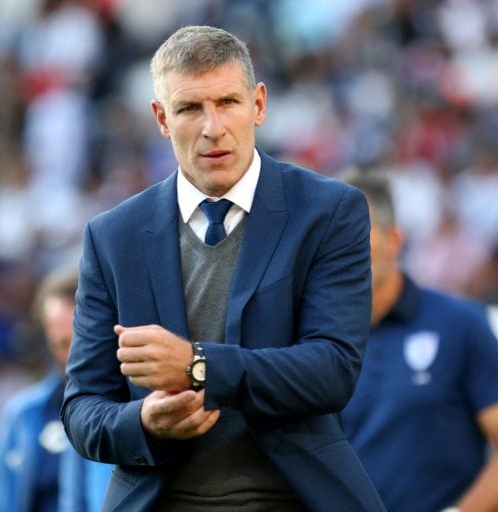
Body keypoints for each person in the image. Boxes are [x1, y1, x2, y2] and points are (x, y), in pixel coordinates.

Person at [61, 25, 385, 511]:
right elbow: (82, 409)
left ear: (257, 105)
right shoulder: (113, 236)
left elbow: (333, 369)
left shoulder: (329, 211)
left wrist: (197, 365)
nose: (213, 127)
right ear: (161, 119)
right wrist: (144, 421)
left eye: (227, 102)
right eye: (190, 108)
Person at [339, 171, 498, 512]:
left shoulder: (458, 324)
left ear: (394, 240)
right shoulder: (310, 334)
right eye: (331, 236)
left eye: (358, 232)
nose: (343, 248)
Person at [0, 267, 111, 512]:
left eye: (81, 341)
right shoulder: (23, 415)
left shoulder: (125, 413)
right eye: (61, 344)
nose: (74, 356)